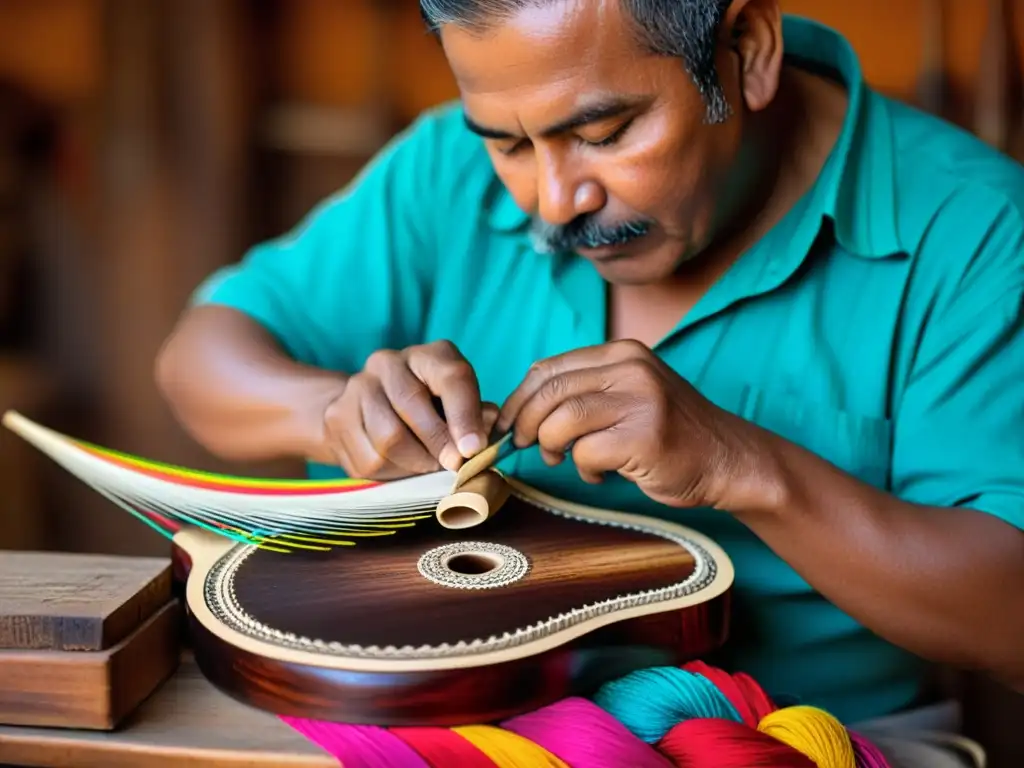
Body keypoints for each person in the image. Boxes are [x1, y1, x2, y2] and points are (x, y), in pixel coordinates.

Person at [155, 1, 1023, 764]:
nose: (555, 198)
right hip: (463, 725)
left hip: (807, 741)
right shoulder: (443, 175)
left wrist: (741, 466)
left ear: (747, 50)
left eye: (605, 133)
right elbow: (201, 358)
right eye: (507, 142)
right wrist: (336, 414)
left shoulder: (975, 235)